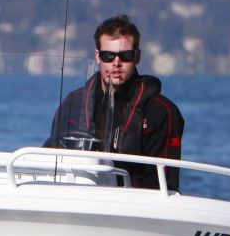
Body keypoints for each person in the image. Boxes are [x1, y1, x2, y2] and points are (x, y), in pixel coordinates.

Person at [47, 14, 185, 190]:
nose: (116, 63)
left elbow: (164, 182)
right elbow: (52, 157)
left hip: (133, 205)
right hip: (78, 197)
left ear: (137, 57)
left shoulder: (161, 112)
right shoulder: (72, 103)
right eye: (108, 55)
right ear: (97, 57)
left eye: (125, 56)